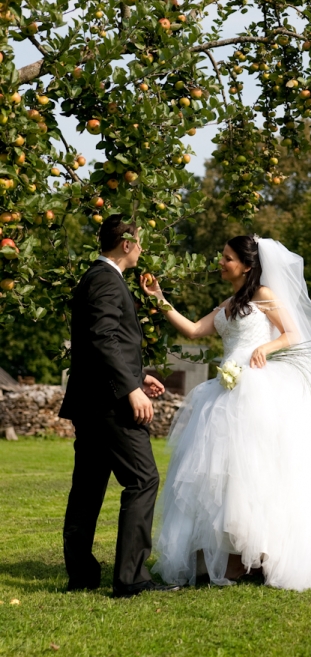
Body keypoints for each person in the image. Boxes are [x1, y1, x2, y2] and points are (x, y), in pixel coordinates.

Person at [141, 235, 311, 591]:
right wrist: (159, 298)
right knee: (225, 478)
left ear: (247, 265)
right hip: (224, 395)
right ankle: (234, 557)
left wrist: (266, 346)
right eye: (223, 257)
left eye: (228, 258)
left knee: (260, 474)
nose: (221, 262)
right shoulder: (228, 303)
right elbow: (193, 329)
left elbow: (293, 334)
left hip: (257, 392)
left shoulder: (265, 296)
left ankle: (263, 556)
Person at [60, 214, 181, 597]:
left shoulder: (96, 279)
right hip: (110, 403)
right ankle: (131, 580)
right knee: (143, 480)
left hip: (93, 399)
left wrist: (137, 374)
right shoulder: (107, 281)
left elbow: (104, 343)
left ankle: (82, 576)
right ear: (126, 244)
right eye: (140, 241)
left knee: (88, 488)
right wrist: (130, 388)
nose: (142, 248)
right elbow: (103, 339)